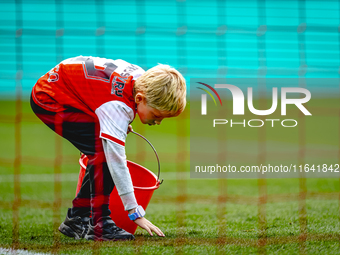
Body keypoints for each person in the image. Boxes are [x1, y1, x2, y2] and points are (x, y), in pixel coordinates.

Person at [30, 56, 186, 241]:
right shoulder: (117, 107)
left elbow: (101, 94)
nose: (158, 122)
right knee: (105, 153)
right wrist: (134, 211)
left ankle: (77, 217)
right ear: (140, 98)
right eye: (157, 115)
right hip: (50, 98)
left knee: (102, 149)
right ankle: (99, 224)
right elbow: (117, 161)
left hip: (66, 90)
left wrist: (115, 123)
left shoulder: (141, 80)